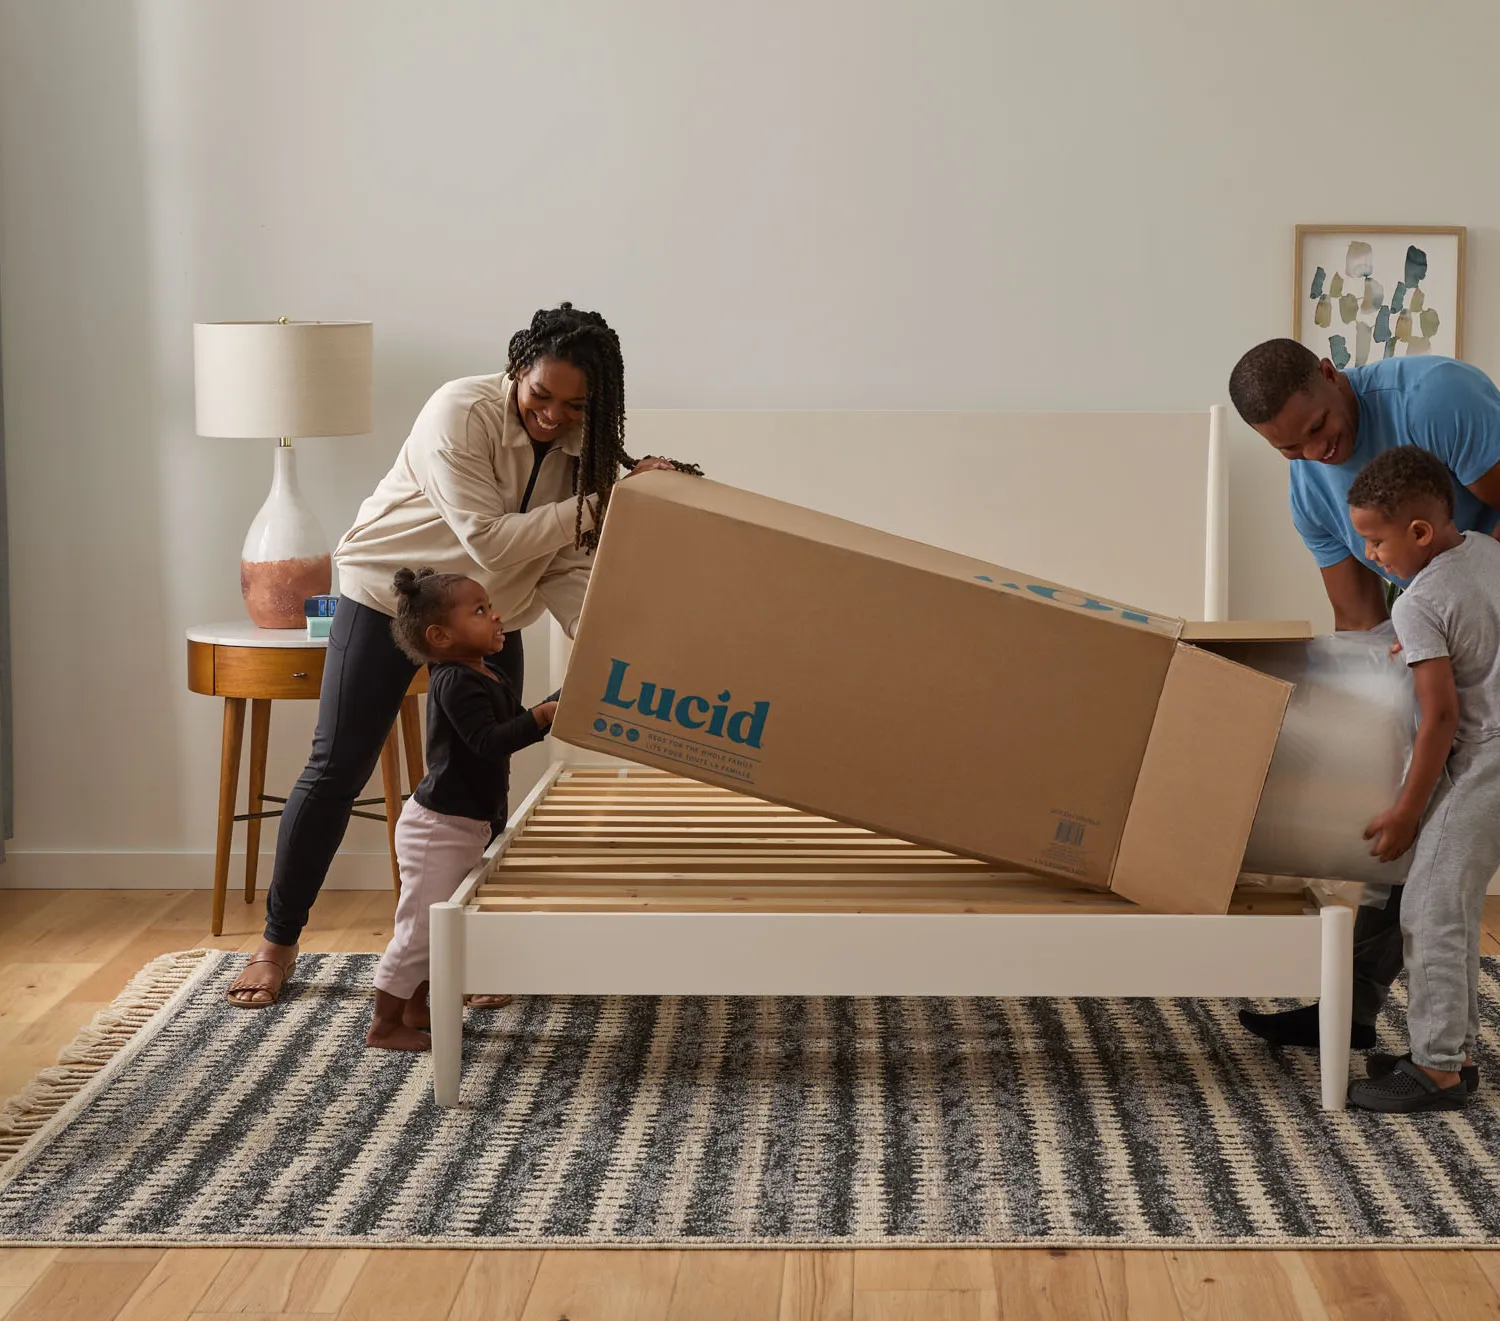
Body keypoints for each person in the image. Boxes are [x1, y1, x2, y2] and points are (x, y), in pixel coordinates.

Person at [227, 304, 699, 1008]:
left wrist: (612, 647)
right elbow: (490, 540)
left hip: (489, 614)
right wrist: (610, 503)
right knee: (336, 767)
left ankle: (475, 954)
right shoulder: (458, 411)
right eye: (541, 395)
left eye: (576, 405)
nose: (554, 415)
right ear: (517, 372)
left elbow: (561, 563)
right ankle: (277, 942)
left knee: (484, 785)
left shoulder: (585, 448)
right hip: (388, 596)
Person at [1227, 340, 1500, 1064]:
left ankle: (1442, 1062)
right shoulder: (1308, 486)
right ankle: (1347, 1009)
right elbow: (1358, 620)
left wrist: (1451, 613)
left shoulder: (1438, 399)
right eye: (1290, 448)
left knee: (1441, 873)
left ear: (1330, 372)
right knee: (1397, 841)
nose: (1317, 451)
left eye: (1317, 429)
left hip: (1486, 658)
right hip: (1440, 654)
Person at [1338, 448, 1500, 1111]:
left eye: (1376, 539)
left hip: (1484, 758)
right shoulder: (1488, 551)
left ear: (1420, 533)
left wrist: (1408, 809)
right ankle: (1452, 1053)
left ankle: (1436, 1070)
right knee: (1454, 903)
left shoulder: (1418, 600)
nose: (1371, 553)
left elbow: (1439, 715)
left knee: (1429, 905)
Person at [368, 569, 554, 1051]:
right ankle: (384, 1024)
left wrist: (549, 707)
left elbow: (508, 726)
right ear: (440, 636)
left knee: (442, 923)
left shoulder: (485, 671)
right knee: (419, 930)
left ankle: (415, 1006)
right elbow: (487, 742)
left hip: (465, 823)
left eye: (489, 605)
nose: (494, 615)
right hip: (438, 828)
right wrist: (539, 718)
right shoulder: (453, 681)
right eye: (478, 610)